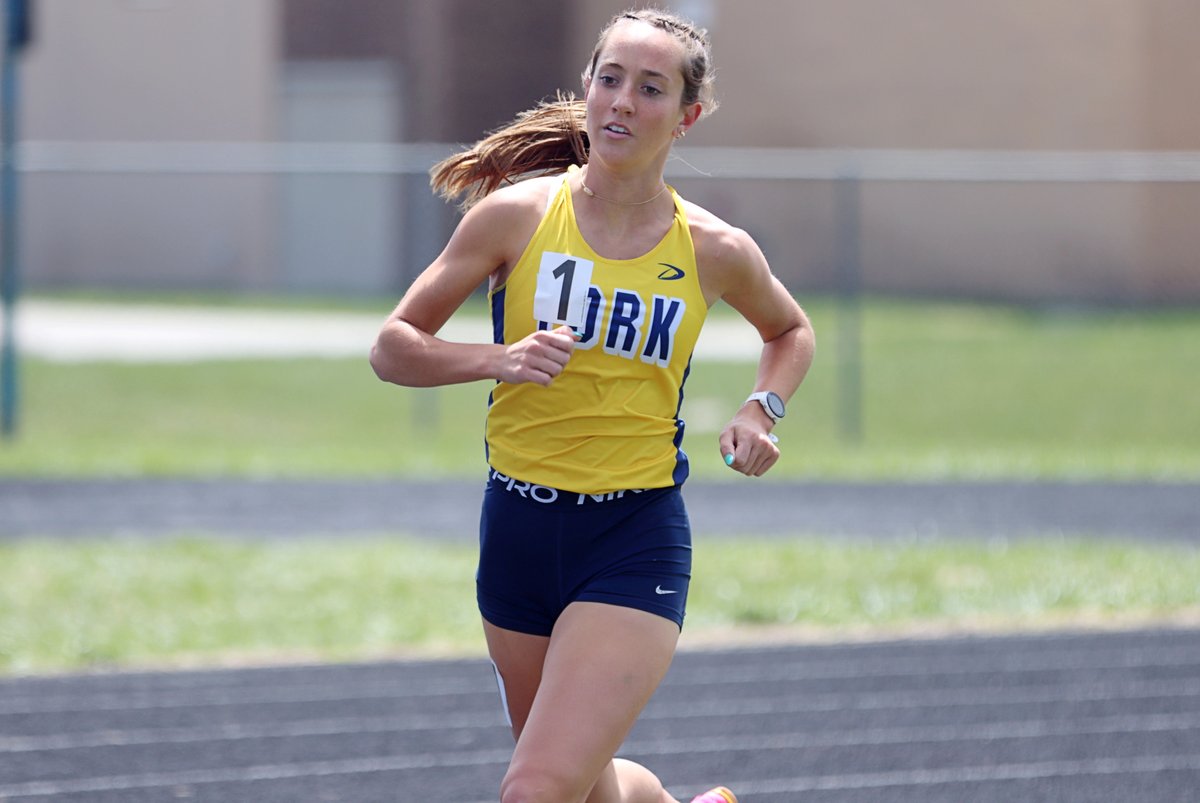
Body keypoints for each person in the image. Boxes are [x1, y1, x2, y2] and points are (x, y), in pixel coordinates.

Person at [370, 8, 814, 803]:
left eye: (650, 88)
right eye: (610, 79)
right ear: (586, 88)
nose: (622, 101)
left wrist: (761, 409)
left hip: (631, 535)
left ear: (687, 116)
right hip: (516, 526)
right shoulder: (517, 217)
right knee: (579, 784)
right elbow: (394, 345)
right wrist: (496, 358)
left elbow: (790, 330)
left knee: (534, 789)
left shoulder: (714, 249)